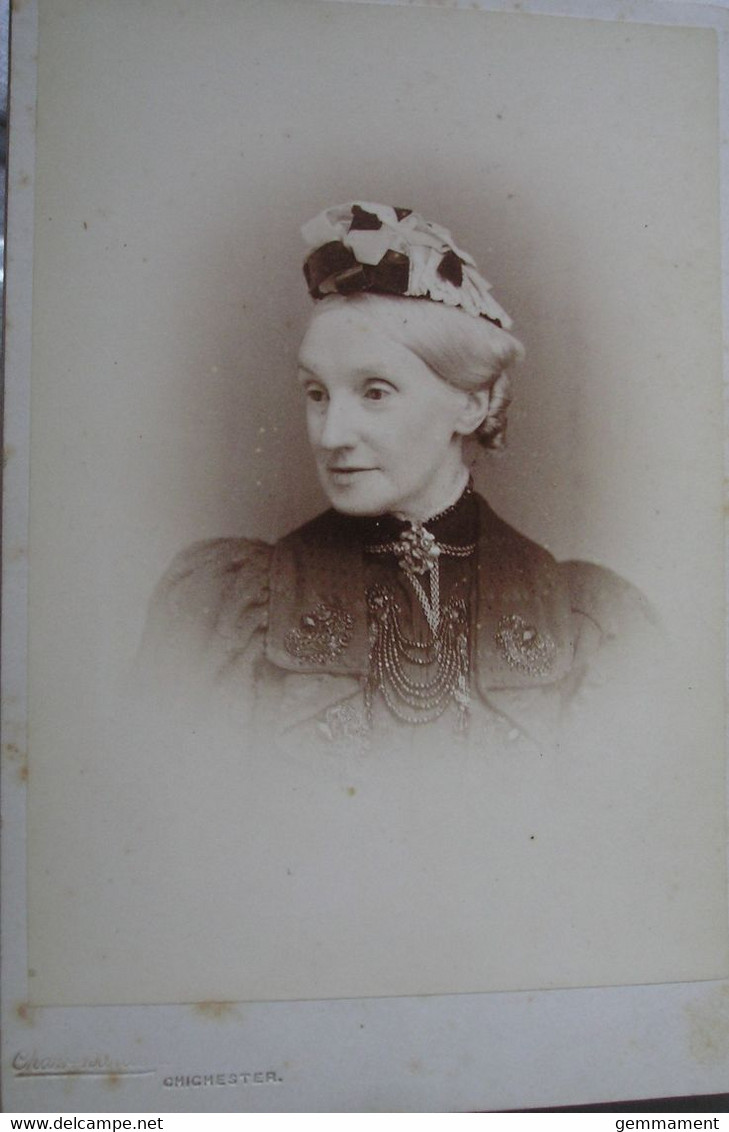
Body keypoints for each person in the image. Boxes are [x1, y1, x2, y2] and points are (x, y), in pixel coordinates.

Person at [139, 201, 659, 760]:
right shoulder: (227, 609)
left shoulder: (588, 625)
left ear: (472, 405)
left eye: (375, 393)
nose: (331, 433)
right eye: (317, 394)